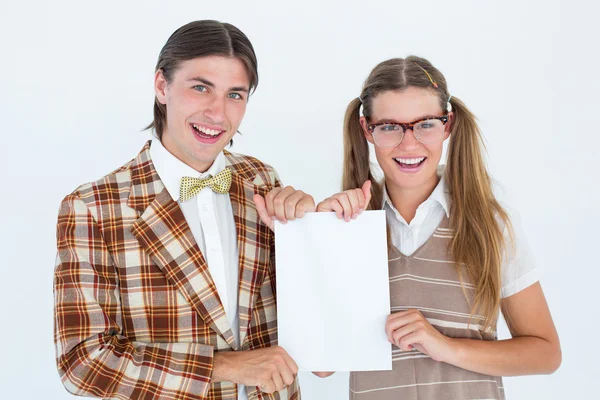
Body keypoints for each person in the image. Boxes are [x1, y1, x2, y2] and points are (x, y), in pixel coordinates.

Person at [53, 20, 314, 400]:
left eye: (235, 95)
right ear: (162, 86)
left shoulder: (262, 180)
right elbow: (84, 363)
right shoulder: (93, 207)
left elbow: (308, 322)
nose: (217, 113)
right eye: (200, 88)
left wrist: (313, 233)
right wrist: (222, 366)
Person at [314, 56, 561, 399]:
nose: (410, 143)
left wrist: (445, 347)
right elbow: (321, 366)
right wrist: (322, 240)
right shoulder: (345, 228)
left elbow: (545, 353)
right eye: (389, 126)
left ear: (448, 125)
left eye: (426, 124)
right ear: (366, 129)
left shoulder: (488, 224)